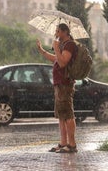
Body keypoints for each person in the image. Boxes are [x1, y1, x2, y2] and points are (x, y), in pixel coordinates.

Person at [36, 23, 77, 153]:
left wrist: (56, 47)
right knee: (61, 115)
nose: (56, 33)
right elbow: (55, 59)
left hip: (65, 83)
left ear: (65, 32)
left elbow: (62, 62)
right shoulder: (63, 45)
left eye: (58, 31)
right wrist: (42, 51)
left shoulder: (70, 44)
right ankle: (63, 143)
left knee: (68, 114)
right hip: (59, 84)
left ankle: (72, 145)